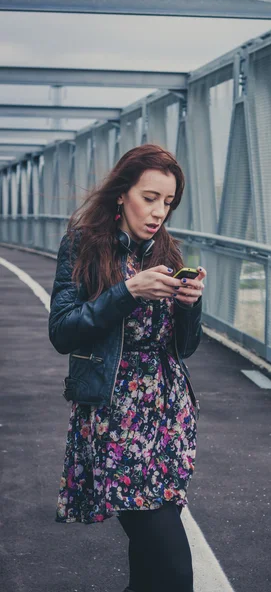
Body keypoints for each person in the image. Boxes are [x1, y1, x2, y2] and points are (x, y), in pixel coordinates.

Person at [48, 144, 206, 592]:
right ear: (122, 194)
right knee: (174, 569)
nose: (159, 212)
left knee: (151, 565)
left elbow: (185, 347)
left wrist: (190, 307)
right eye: (150, 197)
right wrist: (128, 292)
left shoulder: (166, 251)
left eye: (168, 202)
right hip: (116, 420)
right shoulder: (83, 244)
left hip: (168, 417)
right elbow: (62, 331)